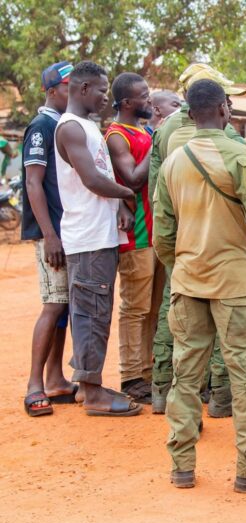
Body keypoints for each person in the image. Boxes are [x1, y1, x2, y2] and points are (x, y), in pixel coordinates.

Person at [154, 78, 246, 492]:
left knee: (185, 375)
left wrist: (183, 266)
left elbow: (163, 235)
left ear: (191, 113)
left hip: (188, 281)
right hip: (235, 282)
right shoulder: (242, 154)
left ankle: (182, 466)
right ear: (224, 110)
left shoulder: (173, 161)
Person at [148, 63, 245, 415]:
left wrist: (170, 251)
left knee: (173, 318)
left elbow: (156, 194)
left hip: (180, 242)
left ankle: (162, 391)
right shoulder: (225, 133)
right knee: (222, 324)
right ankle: (221, 396)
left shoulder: (166, 129)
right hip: (220, 242)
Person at [54, 60, 140, 416]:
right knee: (91, 313)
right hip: (87, 238)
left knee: (98, 311)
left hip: (100, 235)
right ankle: (91, 393)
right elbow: (91, 179)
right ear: (84, 89)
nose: (107, 97)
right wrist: (126, 195)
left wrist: (117, 206)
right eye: (103, 90)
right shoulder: (71, 128)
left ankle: (90, 384)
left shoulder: (88, 127)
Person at [21, 61, 75, 417]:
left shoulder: (62, 126)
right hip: (52, 233)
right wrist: (49, 234)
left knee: (65, 307)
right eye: (68, 86)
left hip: (70, 232)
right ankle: (34, 386)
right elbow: (33, 182)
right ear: (52, 89)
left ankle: (56, 379)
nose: (72, 91)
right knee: (53, 304)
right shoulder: (41, 127)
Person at [106, 72, 161, 404]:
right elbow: (131, 178)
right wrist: (158, 145)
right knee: (135, 308)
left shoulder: (146, 130)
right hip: (136, 234)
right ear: (127, 103)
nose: (149, 100)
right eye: (143, 95)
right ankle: (130, 376)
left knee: (154, 308)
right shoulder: (116, 136)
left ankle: (150, 370)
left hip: (157, 234)